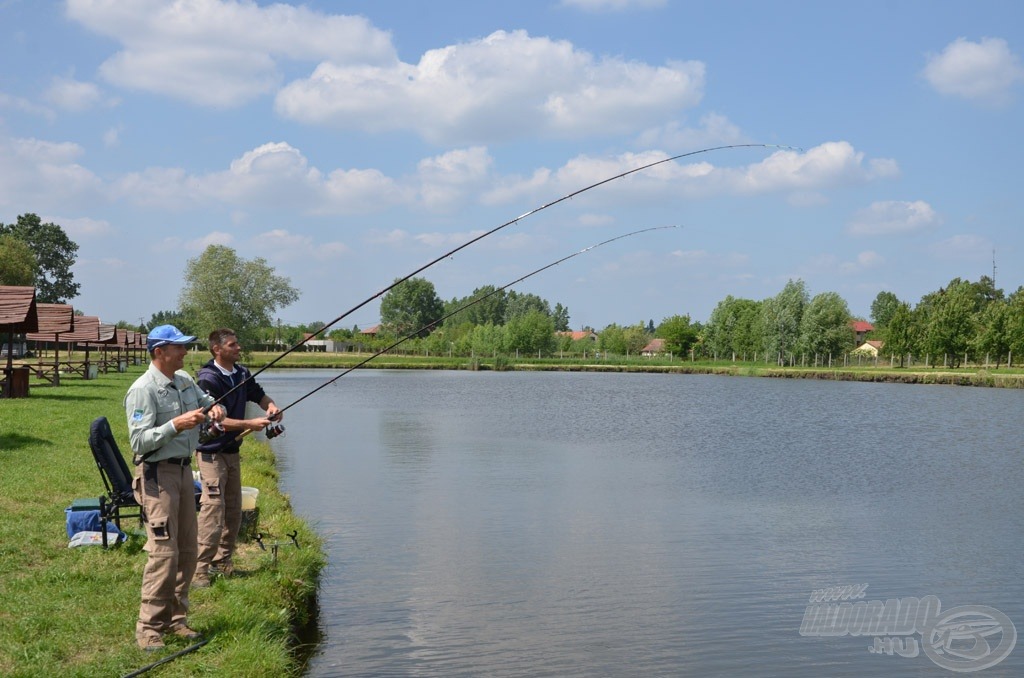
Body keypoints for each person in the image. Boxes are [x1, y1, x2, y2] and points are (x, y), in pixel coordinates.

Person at [125, 324, 225, 652]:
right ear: (159, 352)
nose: (185, 352)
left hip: (183, 472)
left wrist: (215, 408)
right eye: (178, 347)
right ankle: (149, 628)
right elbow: (139, 440)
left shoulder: (184, 381)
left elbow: (208, 401)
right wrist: (174, 425)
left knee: (187, 550)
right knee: (164, 553)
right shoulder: (143, 390)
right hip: (157, 476)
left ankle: (176, 620)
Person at [193, 328, 281, 588]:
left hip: (232, 452)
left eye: (237, 343)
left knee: (233, 511)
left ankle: (223, 562)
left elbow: (259, 394)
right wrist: (248, 423)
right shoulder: (208, 379)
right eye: (233, 345)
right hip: (211, 454)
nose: (238, 348)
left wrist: (271, 407)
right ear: (217, 349)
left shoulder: (241, 373)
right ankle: (199, 570)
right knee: (213, 509)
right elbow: (214, 418)